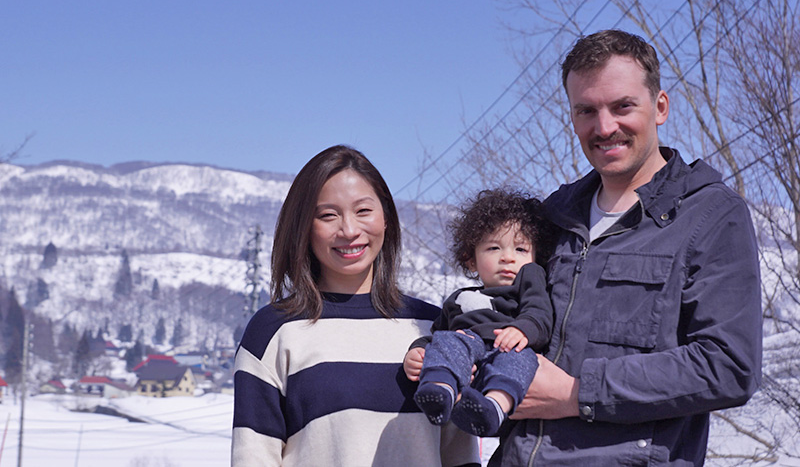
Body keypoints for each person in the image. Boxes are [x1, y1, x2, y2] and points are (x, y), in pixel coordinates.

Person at [490, 29, 762, 466]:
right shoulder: (551, 217)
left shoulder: (711, 214)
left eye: (622, 107)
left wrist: (579, 394)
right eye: (586, 110)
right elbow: (507, 315)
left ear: (659, 107)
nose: (604, 127)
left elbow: (729, 366)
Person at [232, 145, 479, 467]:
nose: (349, 230)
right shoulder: (273, 332)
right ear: (304, 227)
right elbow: (254, 457)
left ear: (386, 218)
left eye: (363, 211)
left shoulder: (435, 328)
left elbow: (460, 455)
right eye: (328, 215)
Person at [403, 189, 554, 437]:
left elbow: (540, 313)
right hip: (468, 346)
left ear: (536, 257)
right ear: (471, 260)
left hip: (505, 348)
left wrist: (522, 329)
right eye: (494, 248)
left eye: (520, 249)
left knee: (521, 359)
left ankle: (493, 407)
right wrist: (418, 350)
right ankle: (439, 389)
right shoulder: (460, 298)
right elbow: (438, 334)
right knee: (449, 341)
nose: (507, 258)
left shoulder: (530, 279)